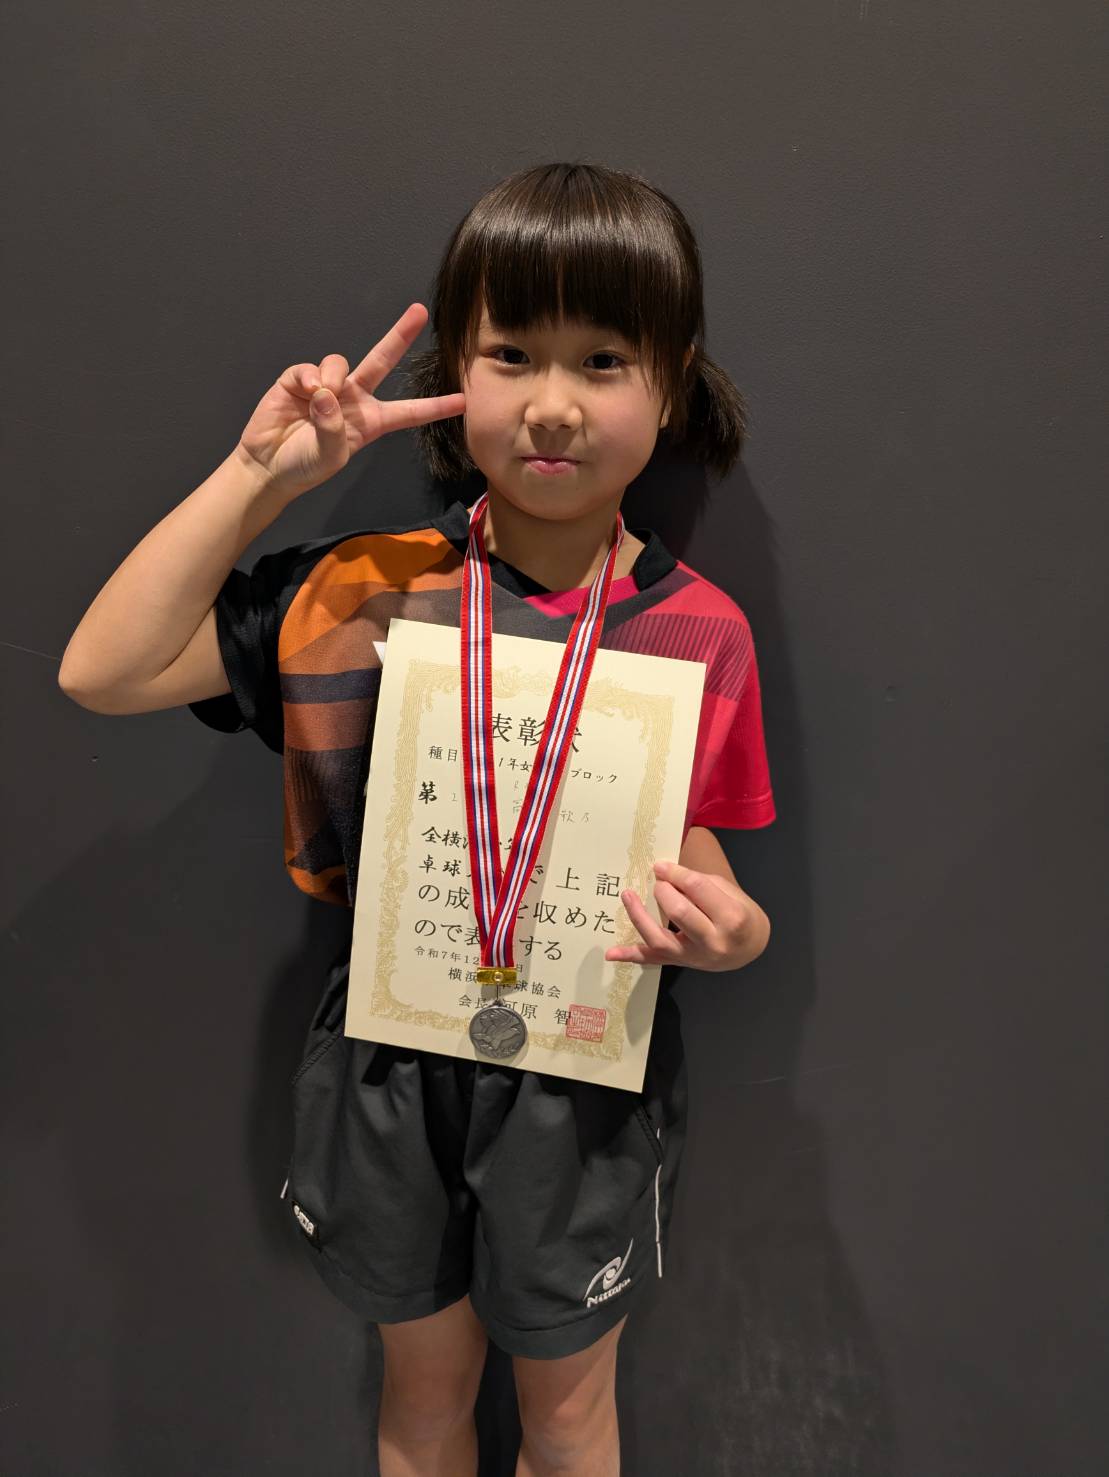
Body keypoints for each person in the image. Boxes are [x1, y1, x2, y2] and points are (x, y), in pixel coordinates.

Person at [59, 161, 777, 1477]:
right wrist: (259, 477)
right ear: (459, 371)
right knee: (423, 1398)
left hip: (582, 1070)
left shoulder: (699, 628)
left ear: (671, 384)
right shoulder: (368, 591)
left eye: (603, 359)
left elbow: (697, 853)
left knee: (568, 1416)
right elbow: (103, 671)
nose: (552, 402)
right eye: (511, 353)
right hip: (391, 1054)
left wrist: (734, 932)